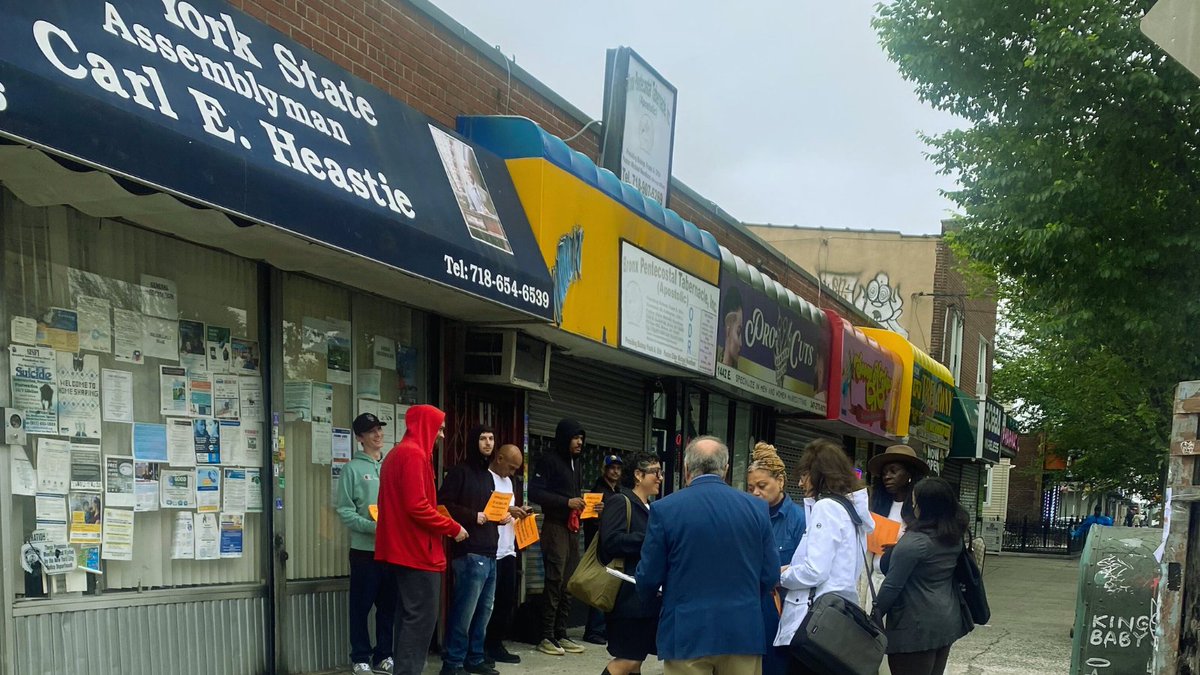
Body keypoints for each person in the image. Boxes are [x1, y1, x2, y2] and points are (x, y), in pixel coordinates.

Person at [636, 436, 779, 675]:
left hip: (686, 632)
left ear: (685, 468)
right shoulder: (756, 508)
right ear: (725, 469)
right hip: (742, 631)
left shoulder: (665, 509)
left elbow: (649, 577)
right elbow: (770, 574)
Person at [375, 405, 469, 675]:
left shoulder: (397, 454)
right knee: (420, 620)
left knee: (408, 619)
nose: (441, 435)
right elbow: (417, 506)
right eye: (439, 429)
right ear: (425, 427)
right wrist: (453, 527)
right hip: (417, 551)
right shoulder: (414, 455)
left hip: (402, 549)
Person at [775, 439, 874, 675]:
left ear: (819, 474)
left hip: (813, 623)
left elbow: (815, 570)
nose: (800, 482)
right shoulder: (852, 510)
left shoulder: (826, 507)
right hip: (837, 619)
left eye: (805, 475)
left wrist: (782, 575)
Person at [874, 477, 974, 675]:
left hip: (915, 626)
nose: (912, 504)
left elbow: (892, 587)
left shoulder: (914, 543)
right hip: (946, 619)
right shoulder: (952, 536)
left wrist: (873, 616)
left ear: (924, 505)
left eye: (915, 500)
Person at [437, 425, 503, 675]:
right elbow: (442, 504)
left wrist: (500, 516)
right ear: (474, 441)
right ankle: (452, 662)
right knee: (464, 611)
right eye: (483, 438)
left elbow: (487, 511)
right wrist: (472, 516)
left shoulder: (488, 476)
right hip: (469, 551)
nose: (488, 443)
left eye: (491, 438)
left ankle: (474, 658)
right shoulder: (459, 472)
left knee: (483, 612)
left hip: (490, 551)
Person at [334, 412, 396, 675]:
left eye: (379, 429)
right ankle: (360, 656)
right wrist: (374, 527)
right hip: (364, 551)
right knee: (361, 607)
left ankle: (385, 655)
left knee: (388, 608)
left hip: (392, 551)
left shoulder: (391, 466)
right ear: (360, 438)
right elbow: (345, 511)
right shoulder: (351, 469)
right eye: (371, 431)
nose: (378, 435)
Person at [600, 452, 663, 675]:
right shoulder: (621, 501)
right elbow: (610, 542)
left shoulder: (650, 508)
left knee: (635, 662)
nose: (660, 477)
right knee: (627, 660)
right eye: (655, 472)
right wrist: (652, 539)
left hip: (644, 597)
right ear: (638, 474)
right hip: (627, 597)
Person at [745, 442, 806, 675]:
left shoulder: (799, 520)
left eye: (762, 486)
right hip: (748, 608)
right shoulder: (746, 515)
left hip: (783, 610)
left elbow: (806, 567)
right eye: (751, 488)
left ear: (780, 481)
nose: (756, 493)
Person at [529, 419, 588, 656]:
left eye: (582, 439)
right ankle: (546, 635)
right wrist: (566, 502)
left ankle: (561, 633)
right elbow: (535, 492)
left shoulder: (577, 464)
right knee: (554, 580)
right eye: (575, 438)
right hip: (554, 528)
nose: (579, 442)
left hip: (573, 528)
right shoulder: (549, 460)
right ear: (564, 438)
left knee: (569, 582)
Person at [484, 444, 529, 665]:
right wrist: (508, 510)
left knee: (505, 601)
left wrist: (519, 512)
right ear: (499, 459)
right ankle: (480, 646)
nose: (512, 473)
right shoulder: (486, 478)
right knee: (486, 604)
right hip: (491, 549)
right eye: (511, 467)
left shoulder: (509, 482)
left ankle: (495, 643)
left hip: (508, 547)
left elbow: (506, 510)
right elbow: (486, 509)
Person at [866, 444, 930, 597]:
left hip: (905, 589)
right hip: (874, 584)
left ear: (909, 474)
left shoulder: (921, 511)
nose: (887, 476)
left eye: (894, 471)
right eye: (884, 473)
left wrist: (901, 548)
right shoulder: (876, 507)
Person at [583, 454, 625, 645]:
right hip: (599, 545)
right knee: (600, 584)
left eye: (618, 468)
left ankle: (603, 629)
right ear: (604, 470)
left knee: (609, 586)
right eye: (612, 468)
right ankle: (594, 630)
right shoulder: (598, 491)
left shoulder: (618, 490)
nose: (615, 471)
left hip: (611, 545)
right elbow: (589, 519)